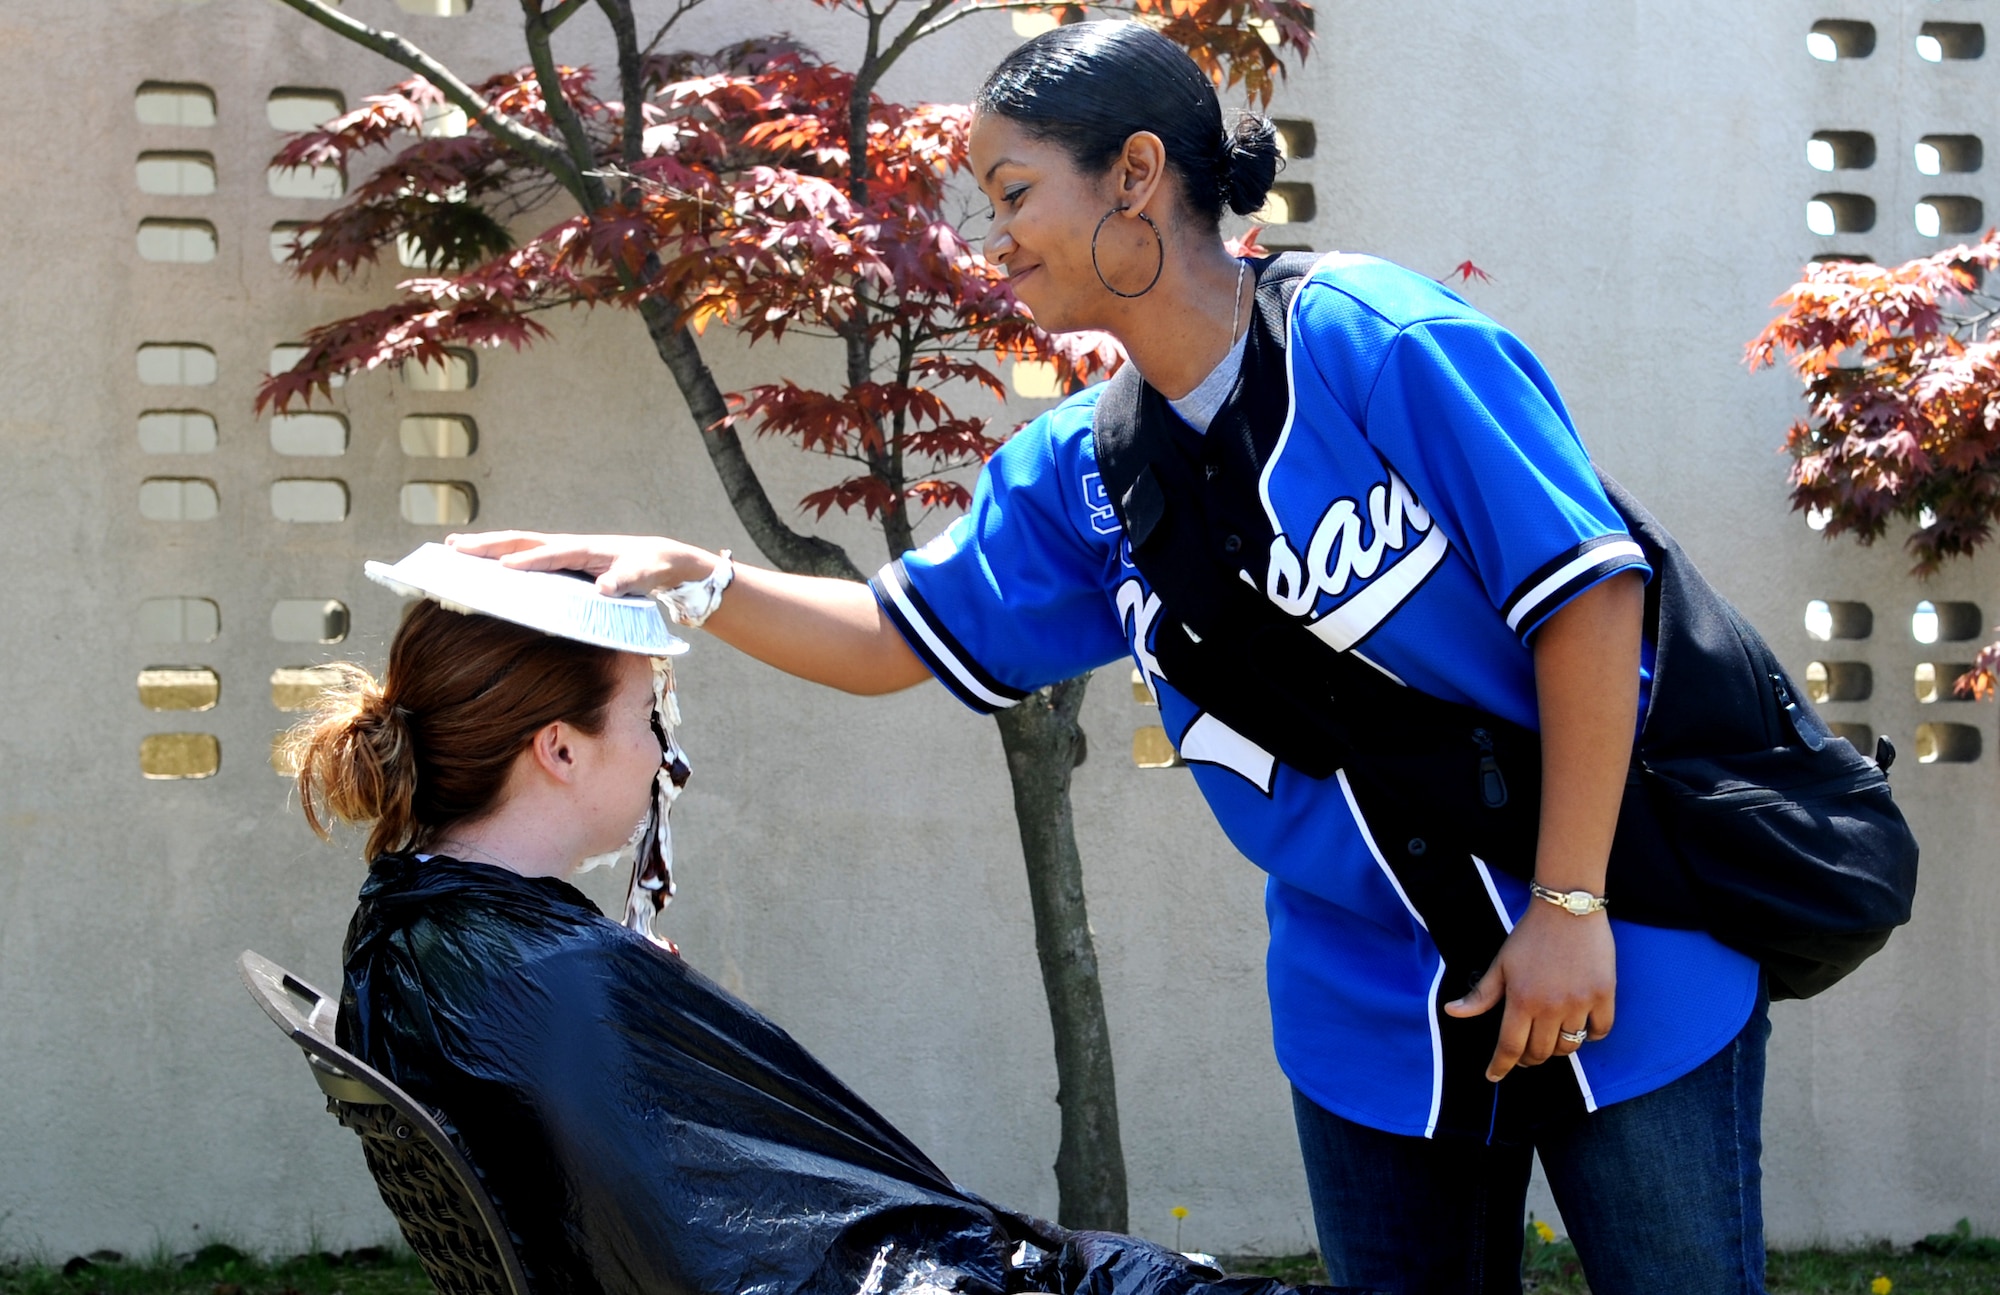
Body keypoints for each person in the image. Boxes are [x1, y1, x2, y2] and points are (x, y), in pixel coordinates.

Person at [452, 21, 1768, 1294]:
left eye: (1014, 190)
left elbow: (1589, 599)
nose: (994, 235)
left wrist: (1569, 904)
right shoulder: (1079, 472)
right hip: (1368, 1012)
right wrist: (701, 575)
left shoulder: (1378, 341)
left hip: (1621, 957)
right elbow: (896, 639)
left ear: (1135, 175)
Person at [288, 589, 1357, 1295]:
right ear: (560, 748)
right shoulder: (553, 981)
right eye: (647, 718)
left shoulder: (415, 924)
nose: (667, 753)